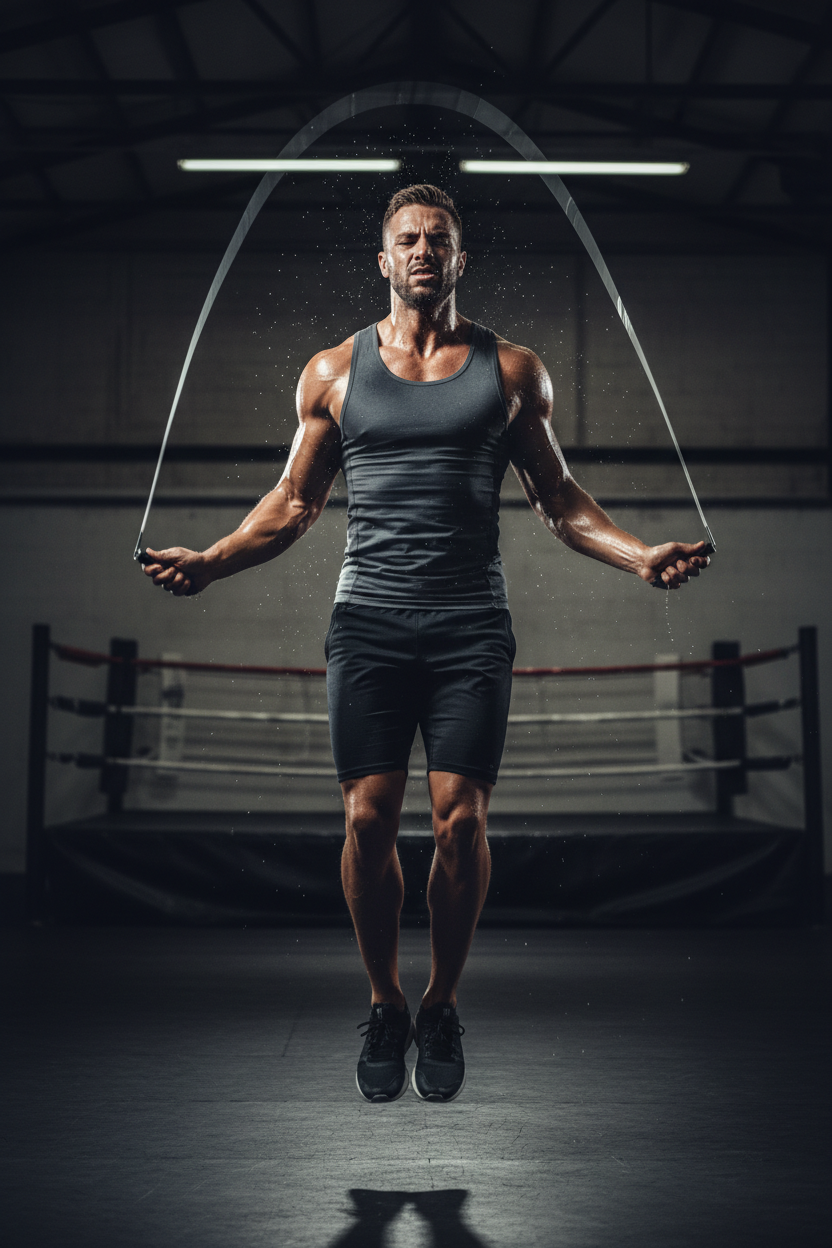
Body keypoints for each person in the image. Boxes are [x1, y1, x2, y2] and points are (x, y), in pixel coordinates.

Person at [143, 184, 710, 1104]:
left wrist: (640, 556)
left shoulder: (513, 370)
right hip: (367, 622)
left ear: (459, 258)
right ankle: (385, 1002)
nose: (420, 250)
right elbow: (294, 503)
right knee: (366, 822)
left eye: (436, 239)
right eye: (404, 238)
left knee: (463, 822)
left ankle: (441, 1002)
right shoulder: (331, 371)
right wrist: (210, 561)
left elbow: (558, 500)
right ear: (382, 259)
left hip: (469, 627)